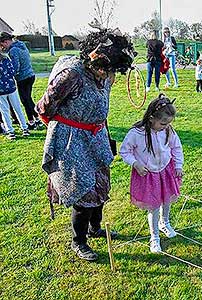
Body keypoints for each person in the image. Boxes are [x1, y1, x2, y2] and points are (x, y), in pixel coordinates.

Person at [36, 29, 136, 261]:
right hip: (71, 141)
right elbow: (44, 108)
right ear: (94, 58)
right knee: (83, 191)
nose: (108, 75)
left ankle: (95, 228)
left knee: (99, 187)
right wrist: (66, 129)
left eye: (112, 71)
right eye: (105, 69)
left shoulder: (106, 74)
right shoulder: (71, 75)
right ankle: (78, 241)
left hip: (96, 136)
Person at [119, 94, 183, 253]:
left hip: (166, 171)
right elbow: (125, 151)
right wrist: (136, 164)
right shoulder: (136, 133)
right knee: (154, 206)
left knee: (167, 199)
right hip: (148, 174)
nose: (166, 126)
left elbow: (176, 148)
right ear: (151, 118)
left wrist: (178, 165)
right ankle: (154, 237)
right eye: (163, 123)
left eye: (169, 123)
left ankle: (165, 223)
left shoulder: (168, 130)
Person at [0, 32, 41, 130]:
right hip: (30, 75)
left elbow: (15, 67)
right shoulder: (22, 45)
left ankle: (31, 122)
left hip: (22, 78)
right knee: (28, 99)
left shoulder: (13, 50)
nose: (3, 47)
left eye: (3, 45)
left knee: (25, 100)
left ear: (6, 41)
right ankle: (38, 119)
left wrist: (8, 75)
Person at [0, 52, 29, 140]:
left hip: (1, 90)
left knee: (4, 111)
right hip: (11, 87)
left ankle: (10, 131)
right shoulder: (6, 59)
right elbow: (12, 71)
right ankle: (24, 128)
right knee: (17, 108)